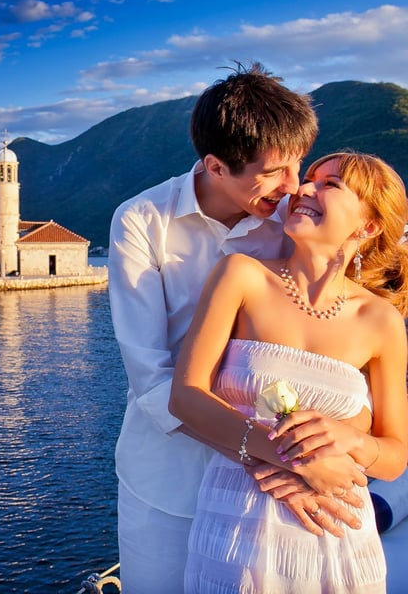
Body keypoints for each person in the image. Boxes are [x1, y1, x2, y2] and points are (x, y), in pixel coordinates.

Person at [108, 63, 366, 593]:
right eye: (273, 171)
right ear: (215, 166)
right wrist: (280, 461)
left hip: (276, 492)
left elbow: (335, 347)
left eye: (298, 164)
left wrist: (324, 444)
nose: (292, 186)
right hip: (170, 481)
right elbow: (152, 378)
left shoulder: (295, 220)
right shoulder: (141, 221)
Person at [169, 151, 408, 592]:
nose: (303, 189)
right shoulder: (241, 275)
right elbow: (185, 397)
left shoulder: (381, 321)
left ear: (369, 226)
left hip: (338, 527)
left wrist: (351, 439)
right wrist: (293, 462)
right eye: (309, 179)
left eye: (329, 185)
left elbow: (395, 457)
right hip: (237, 524)